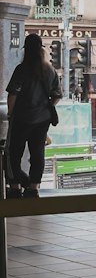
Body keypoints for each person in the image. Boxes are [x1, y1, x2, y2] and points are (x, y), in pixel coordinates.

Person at [4, 33, 61, 199]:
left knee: (14, 153)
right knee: (37, 154)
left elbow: (13, 94)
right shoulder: (49, 70)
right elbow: (57, 94)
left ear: (26, 50)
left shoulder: (21, 70)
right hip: (42, 120)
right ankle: (33, 188)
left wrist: (10, 113)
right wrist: (46, 106)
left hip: (21, 118)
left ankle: (15, 188)